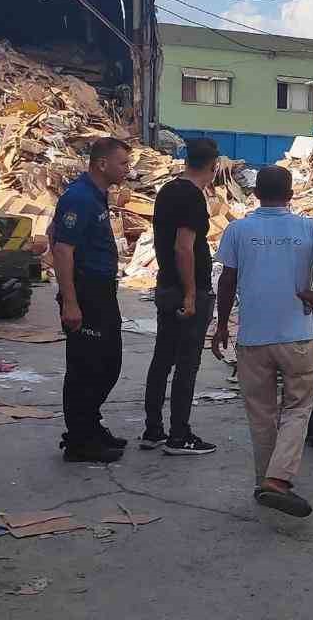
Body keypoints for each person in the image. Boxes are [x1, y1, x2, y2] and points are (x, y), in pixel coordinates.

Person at [212, 166, 313, 517]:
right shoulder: (307, 227)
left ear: (256, 194)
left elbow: (227, 281)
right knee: (298, 408)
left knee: (261, 413)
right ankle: (278, 479)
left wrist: (221, 326)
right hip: (298, 338)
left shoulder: (238, 230)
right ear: (290, 195)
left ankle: (267, 481)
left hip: (253, 340)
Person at [50, 137, 133, 464]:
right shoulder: (79, 198)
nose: (128, 169)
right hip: (85, 292)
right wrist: (71, 302)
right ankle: (79, 440)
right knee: (86, 367)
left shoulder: (96, 196)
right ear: (102, 164)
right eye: (123, 163)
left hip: (102, 290)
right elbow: (61, 250)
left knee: (109, 363)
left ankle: (89, 424)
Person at [141, 137, 221, 456]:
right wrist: (190, 294)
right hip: (187, 291)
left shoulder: (168, 191)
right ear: (214, 166)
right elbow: (183, 247)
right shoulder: (192, 198)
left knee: (162, 358)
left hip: (166, 286)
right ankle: (179, 435)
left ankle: (153, 429)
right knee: (187, 363)